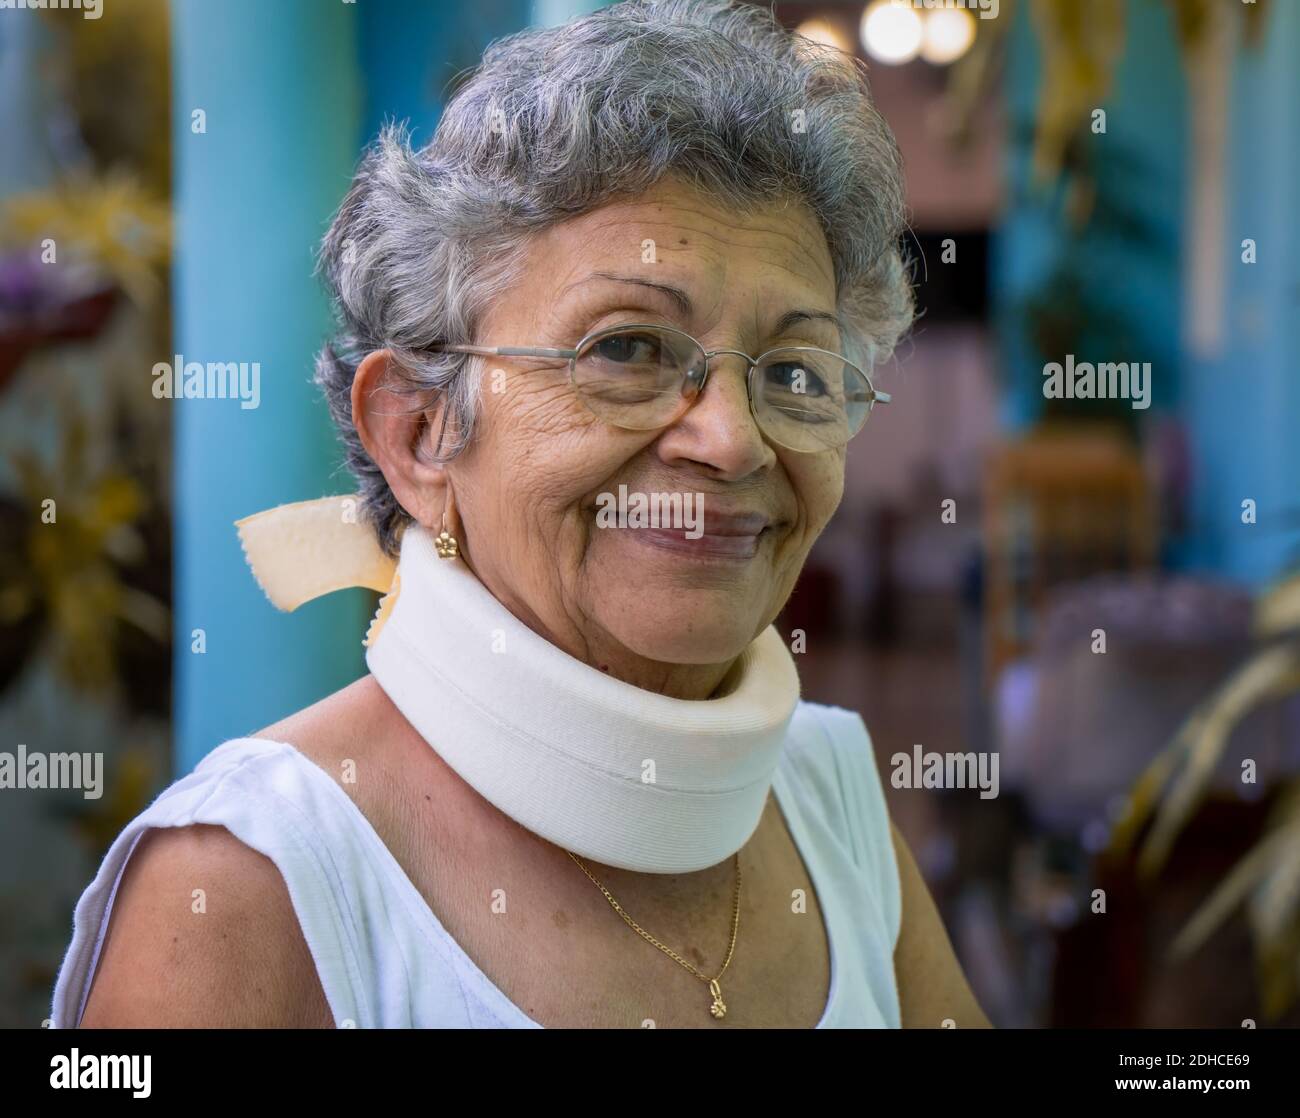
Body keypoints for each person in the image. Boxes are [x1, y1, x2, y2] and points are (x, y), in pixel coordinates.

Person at [52, 0, 989, 1029]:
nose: (731, 438)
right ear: (417, 432)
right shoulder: (250, 881)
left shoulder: (832, 793)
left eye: (796, 371)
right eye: (627, 349)